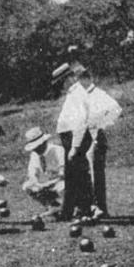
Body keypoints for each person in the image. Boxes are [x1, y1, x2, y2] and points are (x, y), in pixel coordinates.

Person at [53, 62, 94, 221]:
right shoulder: (74, 93)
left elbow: (80, 122)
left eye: (62, 82)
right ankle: (69, 211)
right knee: (72, 175)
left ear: (70, 78)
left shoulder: (78, 93)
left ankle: (83, 209)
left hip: (75, 137)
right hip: (70, 137)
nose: (61, 86)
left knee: (78, 174)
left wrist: (75, 147)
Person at [82, 70, 122, 219]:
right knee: (88, 175)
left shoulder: (97, 94)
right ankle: (93, 207)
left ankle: (99, 208)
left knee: (95, 175)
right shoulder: (82, 96)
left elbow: (116, 109)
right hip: (85, 138)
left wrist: (100, 125)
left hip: (96, 138)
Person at [21, 126, 65, 218]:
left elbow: (64, 173)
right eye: (34, 147)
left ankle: (66, 206)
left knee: (63, 187)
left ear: (44, 142)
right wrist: (38, 183)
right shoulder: (34, 155)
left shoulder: (58, 151)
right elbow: (32, 174)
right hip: (44, 184)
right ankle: (51, 207)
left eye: (38, 146)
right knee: (27, 186)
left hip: (59, 183)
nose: (36, 149)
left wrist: (51, 183)